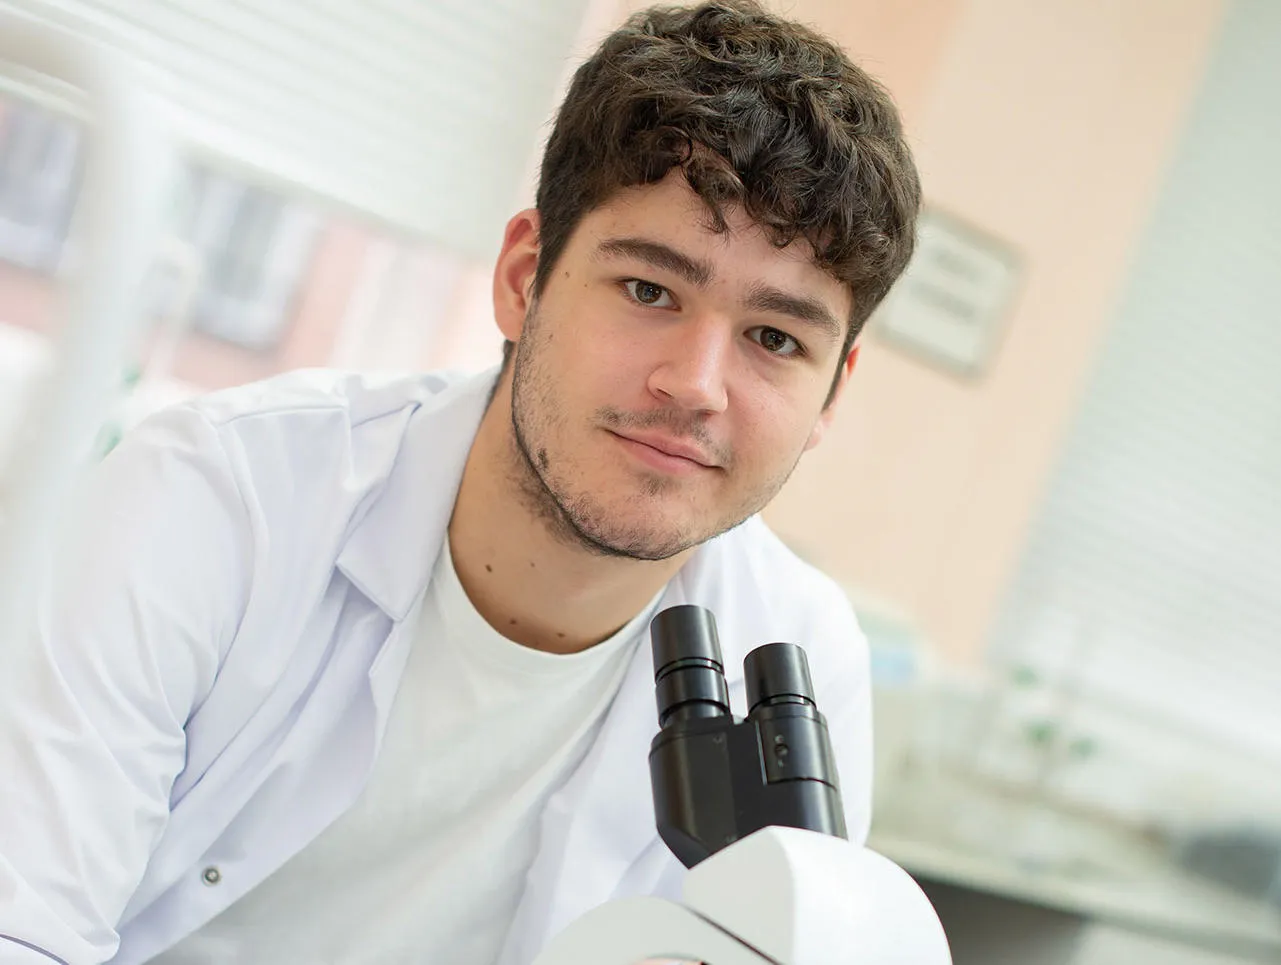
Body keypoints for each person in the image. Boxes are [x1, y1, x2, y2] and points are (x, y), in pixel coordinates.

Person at [0, 1, 920, 963]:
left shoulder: (798, 654)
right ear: (524, 277)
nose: (694, 385)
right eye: (649, 290)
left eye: (774, 339)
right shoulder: (218, 498)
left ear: (829, 397)